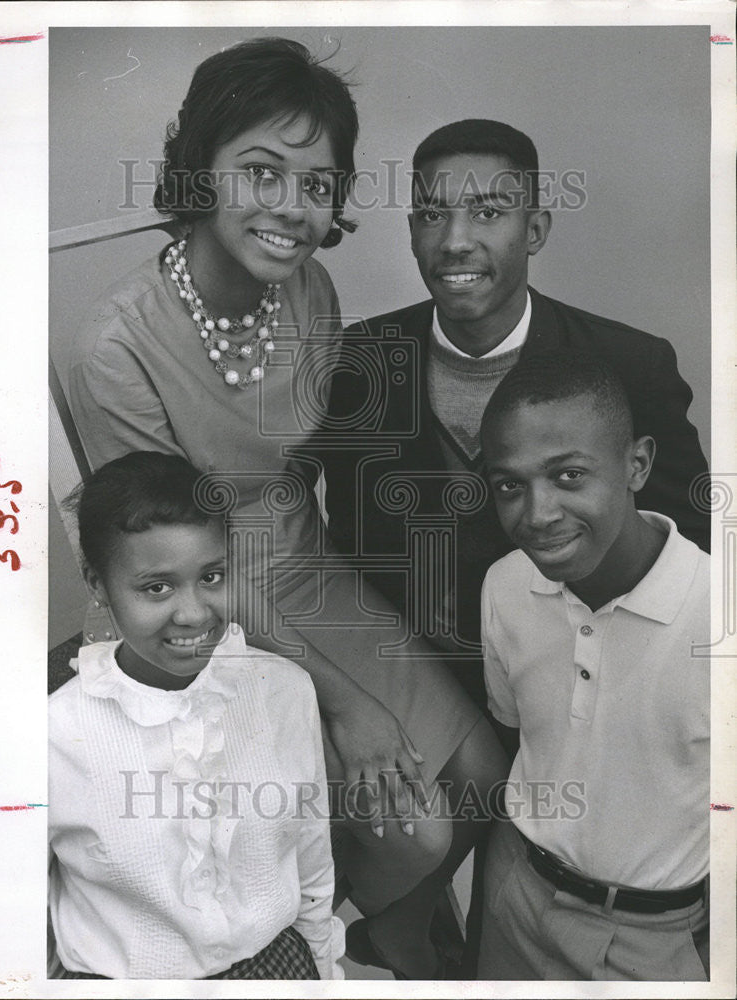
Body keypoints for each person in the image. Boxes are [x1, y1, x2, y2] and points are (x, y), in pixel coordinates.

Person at [67, 39, 507, 979]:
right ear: (201, 170)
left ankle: (379, 927)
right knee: (420, 832)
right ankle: (332, 944)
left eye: (317, 184)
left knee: (484, 777)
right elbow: (167, 563)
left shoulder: (307, 287)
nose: (291, 209)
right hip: (214, 613)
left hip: (315, 573)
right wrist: (344, 704)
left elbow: (320, 471)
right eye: (261, 172)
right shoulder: (114, 346)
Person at [323, 118, 710, 708]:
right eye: (432, 214)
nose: (455, 241)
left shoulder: (630, 364)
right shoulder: (357, 361)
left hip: (582, 688)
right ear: (410, 232)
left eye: (487, 212)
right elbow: (330, 548)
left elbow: (693, 547)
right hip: (406, 698)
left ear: (534, 230)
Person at [48, 451, 343, 979]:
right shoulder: (49, 738)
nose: (193, 613)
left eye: (211, 576)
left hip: (277, 970)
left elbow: (311, 858)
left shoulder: (286, 693)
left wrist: (322, 973)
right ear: (97, 584)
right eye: (156, 587)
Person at [475, 354, 709, 981]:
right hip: (515, 895)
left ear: (638, 464)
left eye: (569, 475)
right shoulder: (504, 585)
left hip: (654, 937)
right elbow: (518, 730)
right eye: (509, 486)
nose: (537, 513)